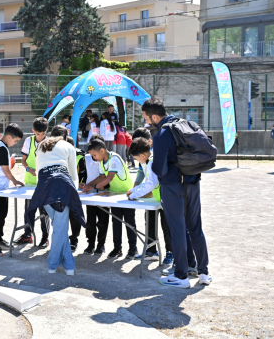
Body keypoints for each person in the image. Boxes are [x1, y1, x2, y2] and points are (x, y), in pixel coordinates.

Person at [142, 96, 211, 288]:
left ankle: (181, 276)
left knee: (178, 229)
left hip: (173, 187)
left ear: (155, 117)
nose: (146, 122)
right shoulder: (185, 125)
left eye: (146, 118)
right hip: (193, 182)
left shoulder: (162, 134)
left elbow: (159, 169)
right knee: (195, 227)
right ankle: (203, 272)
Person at [27, 125, 85, 275]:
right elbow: (73, 175)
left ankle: (68, 264)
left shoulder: (41, 145)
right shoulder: (68, 145)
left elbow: (39, 172)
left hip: (43, 190)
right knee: (60, 229)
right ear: (65, 137)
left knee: (59, 228)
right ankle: (54, 265)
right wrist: (74, 194)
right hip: (61, 188)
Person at [83, 137, 136, 260]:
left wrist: (93, 187)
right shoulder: (102, 161)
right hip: (115, 194)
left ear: (102, 150)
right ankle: (118, 248)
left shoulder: (114, 158)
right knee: (116, 222)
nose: (94, 158)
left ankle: (133, 248)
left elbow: (109, 178)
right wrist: (88, 185)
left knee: (129, 223)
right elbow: (102, 176)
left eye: (94, 155)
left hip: (127, 194)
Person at [130, 127, 173, 265]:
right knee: (150, 221)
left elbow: (151, 183)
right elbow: (144, 175)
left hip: (165, 198)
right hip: (154, 198)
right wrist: (135, 189)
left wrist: (134, 193)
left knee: (166, 225)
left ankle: (170, 253)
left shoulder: (154, 158)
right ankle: (151, 250)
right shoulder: (146, 158)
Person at [0, 123, 25, 256]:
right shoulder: (1, 148)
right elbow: (6, 170)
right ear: (8, 136)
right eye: (15, 140)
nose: (15, 143)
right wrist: (15, 181)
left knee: (2, 214)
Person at [14, 117, 51, 248]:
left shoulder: (50, 143)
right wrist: (29, 169)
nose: (40, 137)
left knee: (44, 212)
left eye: (42, 134)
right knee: (29, 210)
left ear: (46, 131)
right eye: (37, 134)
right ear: (33, 131)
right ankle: (28, 235)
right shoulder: (28, 141)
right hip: (30, 183)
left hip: (45, 184)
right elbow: (23, 160)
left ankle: (45, 238)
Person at [72, 134, 109, 255]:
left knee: (103, 221)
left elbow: (106, 177)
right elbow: (81, 176)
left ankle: (101, 245)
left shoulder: (107, 159)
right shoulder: (86, 159)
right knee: (91, 222)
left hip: (104, 195)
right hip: (90, 195)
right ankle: (91, 244)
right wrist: (82, 184)